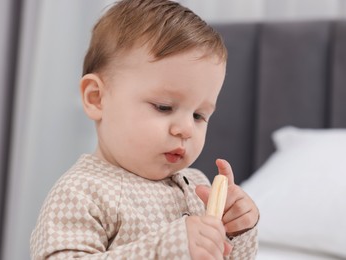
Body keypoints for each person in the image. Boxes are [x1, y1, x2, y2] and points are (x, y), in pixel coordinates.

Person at [30, 0, 259, 259]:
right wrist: (168, 249)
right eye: (163, 107)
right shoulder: (82, 192)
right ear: (97, 98)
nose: (185, 129)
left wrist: (236, 232)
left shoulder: (196, 187)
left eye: (198, 115)